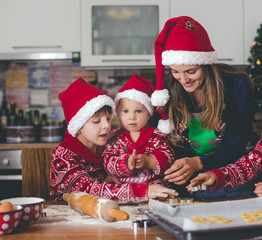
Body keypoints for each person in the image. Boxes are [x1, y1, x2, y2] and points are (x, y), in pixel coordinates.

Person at [150, 16, 258, 198]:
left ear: (206, 65)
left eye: (191, 71)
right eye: (176, 72)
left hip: (232, 177)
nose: (183, 80)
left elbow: (236, 146)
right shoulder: (170, 89)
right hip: (191, 180)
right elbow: (153, 136)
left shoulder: (236, 85)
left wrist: (197, 163)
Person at [49, 78, 177, 203]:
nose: (106, 125)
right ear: (78, 127)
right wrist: (145, 190)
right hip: (66, 215)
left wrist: (107, 179)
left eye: (108, 118)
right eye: (96, 121)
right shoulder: (63, 156)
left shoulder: (103, 147)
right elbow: (90, 191)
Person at [102, 74, 174, 187]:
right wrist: (125, 163)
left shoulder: (158, 137)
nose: (132, 117)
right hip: (126, 193)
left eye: (138, 111)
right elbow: (107, 161)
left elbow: (169, 158)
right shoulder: (115, 140)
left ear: (149, 114)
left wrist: (149, 162)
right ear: (118, 114)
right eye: (125, 111)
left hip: (156, 191)